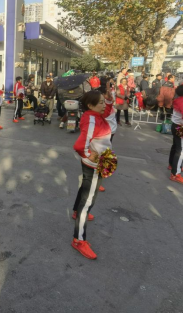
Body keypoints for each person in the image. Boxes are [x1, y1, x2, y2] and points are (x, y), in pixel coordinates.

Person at [71, 89, 114, 260]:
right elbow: (79, 145)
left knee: (86, 188)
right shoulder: (91, 119)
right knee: (88, 200)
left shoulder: (95, 115)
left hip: (100, 161)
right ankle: (79, 240)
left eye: (104, 102)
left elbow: (107, 112)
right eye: (101, 102)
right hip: (94, 164)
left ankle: (77, 211)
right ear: (90, 105)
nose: (104, 105)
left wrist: (108, 101)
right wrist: (88, 154)